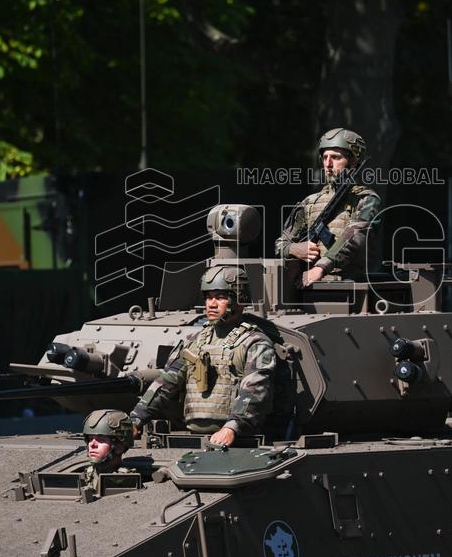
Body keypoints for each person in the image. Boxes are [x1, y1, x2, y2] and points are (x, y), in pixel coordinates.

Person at [130, 265, 276, 447]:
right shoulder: (195, 340)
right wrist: (136, 420)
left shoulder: (255, 342)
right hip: (193, 438)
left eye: (220, 297)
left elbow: (255, 391)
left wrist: (232, 427)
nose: (211, 304)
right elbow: (166, 383)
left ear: (240, 300)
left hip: (239, 441)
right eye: (208, 297)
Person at [275, 128, 381, 287]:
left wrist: (321, 267)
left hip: (349, 288)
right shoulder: (310, 202)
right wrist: (295, 248)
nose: (328, 164)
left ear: (353, 161)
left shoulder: (366, 200)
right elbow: (280, 244)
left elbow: (355, 238)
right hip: (306, 286)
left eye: (336, 157)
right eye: (325, 157)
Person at [81, 409, 134, 488]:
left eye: (101, 440)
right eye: (90, 439)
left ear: (119, 447)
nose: (92, 444)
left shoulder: (128, 481)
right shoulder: (88, 474)